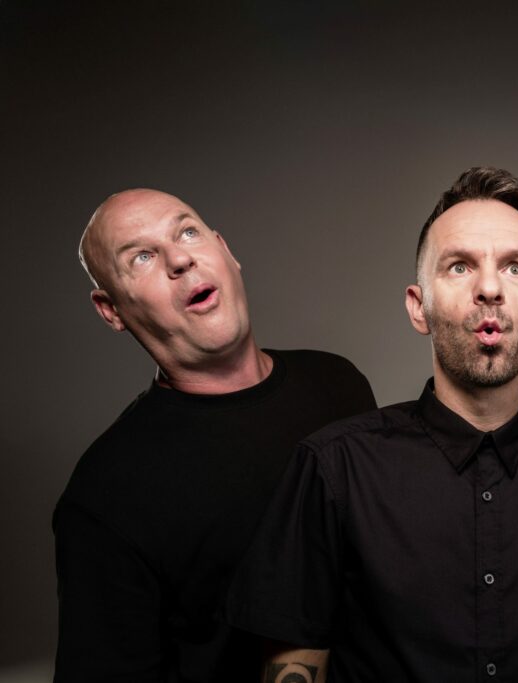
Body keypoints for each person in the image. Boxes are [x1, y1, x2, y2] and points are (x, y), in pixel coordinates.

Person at [226, 167, 518, 683]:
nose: (490, 288)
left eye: (515, 268)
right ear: (418, 307)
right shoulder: (333, 470)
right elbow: (295, 664)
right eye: (460, 266)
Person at [53, 189, 376, 682]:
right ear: (111, 310)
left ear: (225, 250)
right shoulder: (104, 494)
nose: (179, 259)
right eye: (142, 257)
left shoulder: (339, 383)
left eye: (187, 232)